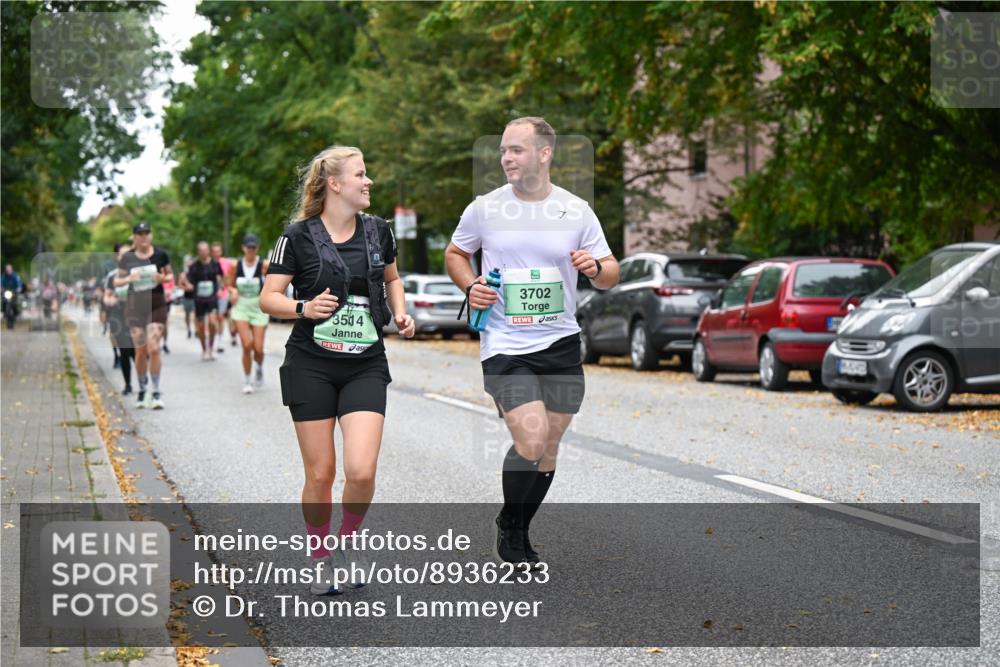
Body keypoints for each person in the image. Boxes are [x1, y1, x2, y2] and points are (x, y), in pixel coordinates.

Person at [445, 117, 620, 566]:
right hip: (505, 341)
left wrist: (594, 268)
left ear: (544, 154)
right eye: (503, 150)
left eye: (517, 150)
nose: (506, 158)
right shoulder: (485, 208)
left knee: (549, 446)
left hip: (560, 340)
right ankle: (510, 525)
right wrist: (470, 286)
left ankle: (518, 527)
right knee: (531, 439)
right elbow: (456, 253)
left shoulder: (576, 210)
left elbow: (610, 271)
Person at [259, 146, 415, 595]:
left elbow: (392, 279)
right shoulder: (298, 235)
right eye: (361, 175)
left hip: (366, 362)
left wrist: (401, 313)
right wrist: (303, 307)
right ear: (335, 184)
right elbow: (269, 297)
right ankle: (320, 554)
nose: (369, 182)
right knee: (322, 474)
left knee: (361, 470)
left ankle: (345, 544)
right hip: (311, 364)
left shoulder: (378, 231)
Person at [114, 222, 173, 409]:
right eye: (140, 234)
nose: (144, 236)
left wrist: (162, 278)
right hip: (134, 307)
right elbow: (116, 281)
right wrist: (128, 279)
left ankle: (155, 391)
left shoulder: (161, 255)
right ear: (134, 237)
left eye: (147, 233)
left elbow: (171, 276)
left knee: (154, 348)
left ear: (151, 235)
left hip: (156, 304)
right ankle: (142, 389)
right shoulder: (127, 258)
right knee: (140, 350)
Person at [227, 233, 269, 394]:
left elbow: (274, 284)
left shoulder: (264, 265)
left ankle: (258, 367)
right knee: (247, 345)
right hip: (241, 306)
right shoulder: (235, 266)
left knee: (258, 348)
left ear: (257, 248)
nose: (251, 250)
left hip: (258, 306)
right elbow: (229, 285)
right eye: (248, 247)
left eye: (253, 247)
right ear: (243, 248)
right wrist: (233, 291)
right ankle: (247, 380)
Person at [179, 242, 223, 361]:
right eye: (201, 250)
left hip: (212, 298)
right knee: (201, 327)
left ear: (208, 251)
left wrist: (221, 287)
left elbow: (221, 277)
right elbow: (188, 281)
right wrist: (187, 284)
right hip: (199, 300)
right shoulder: (194, 266)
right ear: (198, 252)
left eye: (205, 250)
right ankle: (204, 349)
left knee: (213, 322)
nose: (204, 252)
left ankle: (211, 347)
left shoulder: (215, 264)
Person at [103, 243, 134, 394]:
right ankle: (128, 384)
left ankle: (144, 383)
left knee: (138, 351)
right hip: (119, 315)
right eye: (122, 254)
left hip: (136, 315)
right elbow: (106, 297)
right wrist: (110, 301)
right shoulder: (112, 276)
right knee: (125, 351)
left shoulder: (138, 273)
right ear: (117, 257)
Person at [211, 242, 234, 353]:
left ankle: (219, 342)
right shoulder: (209, 263)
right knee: (212, 319)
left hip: (223, 294)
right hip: (210, 295)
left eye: (218, 251)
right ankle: (213, 339)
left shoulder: (227, 262)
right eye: (214, 251)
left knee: (220, 317)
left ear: (221, 252)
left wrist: (229, 288)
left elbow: (230, 276)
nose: (216, 253)